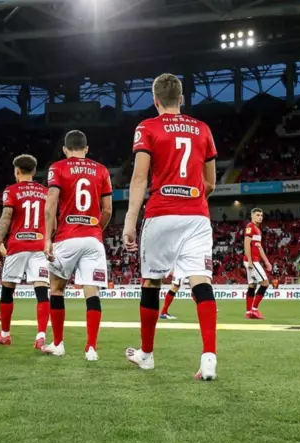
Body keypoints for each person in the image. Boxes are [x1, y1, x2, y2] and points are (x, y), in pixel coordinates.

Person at [122, 73, 218, 381]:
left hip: (161, 213)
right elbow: (211, 183)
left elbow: (139, 177)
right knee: (201, 281)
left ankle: (147, 355)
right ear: (182, 99)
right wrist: (191, 199)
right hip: (197, 215)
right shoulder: (202, 129)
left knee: (151, 282)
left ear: (155, 101)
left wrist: (130, 220)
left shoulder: (147, 127)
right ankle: (209, 357)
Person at [42, 130, 113, 361]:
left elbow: (50, 204)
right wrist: (95, 230)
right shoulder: (101, 170)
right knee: (92, 292)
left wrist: (47, 237)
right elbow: (108, 210)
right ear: (86, 148)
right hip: (93, 238)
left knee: (56, 289)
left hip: (67, 237)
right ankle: (91, 348)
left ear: (65, 149)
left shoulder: (58, 167)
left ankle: (58, 344)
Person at [0, 154, 50, 347]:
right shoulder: (45, 192)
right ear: (34, 171)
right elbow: (51, 218)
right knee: (42, 290)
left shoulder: (11, 190)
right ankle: (41, 336)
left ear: (16, 171)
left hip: (17, 245)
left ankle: (5, 334)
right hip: (39, 246)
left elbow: (6, 218)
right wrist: (49, 240)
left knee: (7, 289)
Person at [243, 208, 271, 319]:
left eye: (261, 215)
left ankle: (248, 312)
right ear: (252, 216)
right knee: (265, 283)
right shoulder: (250, 227)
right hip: (252, 261)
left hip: (254, 260)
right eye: (258, 215)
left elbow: (259, 247)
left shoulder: (257, 229)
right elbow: (246, 244)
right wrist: (250, 261)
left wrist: (266, 261)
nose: (260, 217)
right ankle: (254, 309)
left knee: (252, 285)